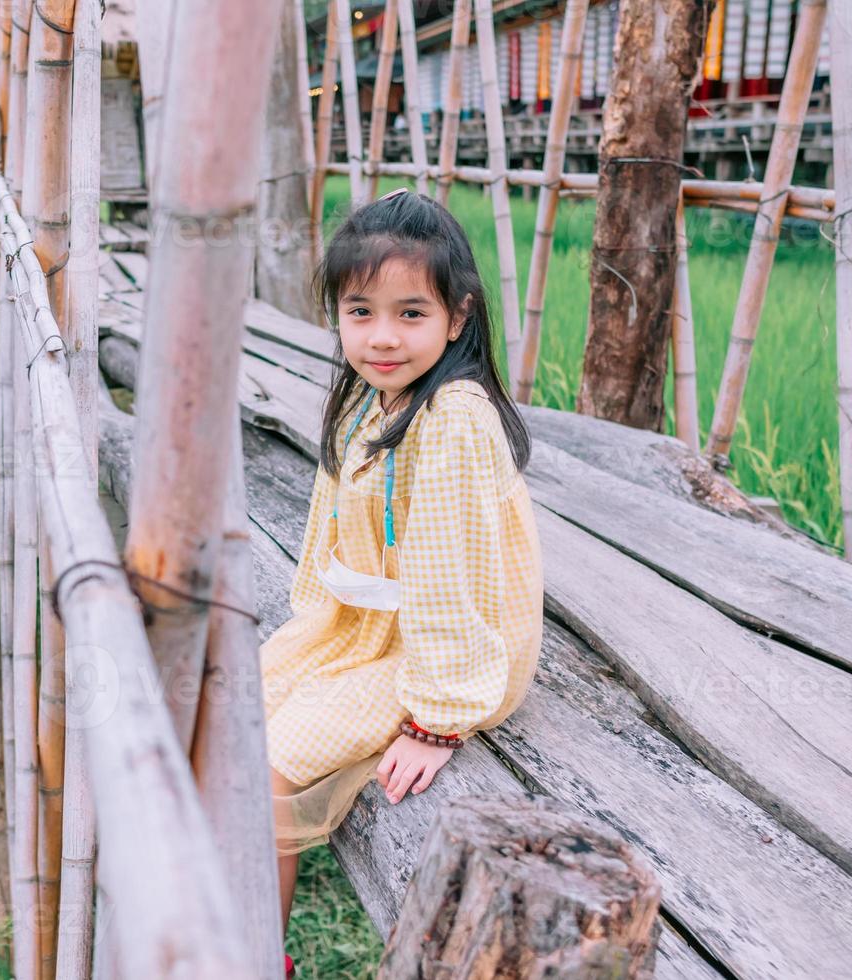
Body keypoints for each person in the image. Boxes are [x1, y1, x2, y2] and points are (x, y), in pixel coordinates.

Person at [263, 188, 544, 978]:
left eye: (411, 314)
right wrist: (318, 622)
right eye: (361, 312)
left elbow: (449, 573)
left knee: (272, 760)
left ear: (458, 317)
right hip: (376, 624)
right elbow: (332, 521)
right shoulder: (368, 396)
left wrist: (437, 719)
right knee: (241, 706)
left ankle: (255, 954)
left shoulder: (452, 415)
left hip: (451, 645)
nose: (382, 337)